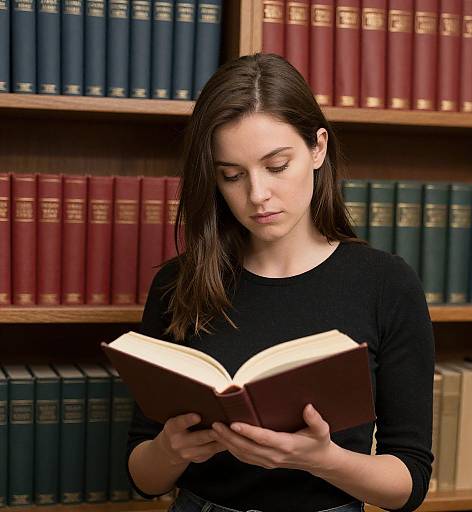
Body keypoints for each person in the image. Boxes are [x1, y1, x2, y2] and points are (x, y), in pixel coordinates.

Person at [126, 53, 434, 512]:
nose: (256, 195)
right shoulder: (179, 284)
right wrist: (169, 452)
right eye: (231, 175)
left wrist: (325, 460)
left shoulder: (386, 283)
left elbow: (409, 481)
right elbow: (143, 478)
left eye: (276, 166)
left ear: (318, 148)